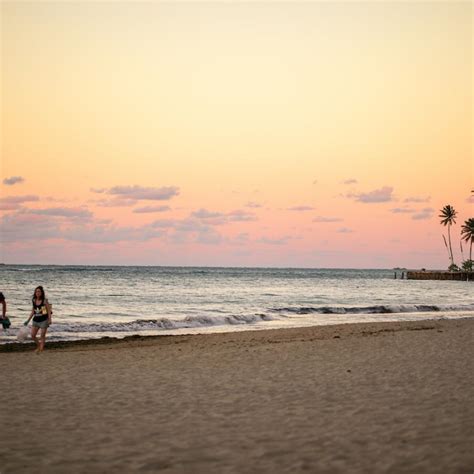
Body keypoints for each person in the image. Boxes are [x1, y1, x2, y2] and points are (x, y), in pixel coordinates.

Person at [24, 286, 52, 353]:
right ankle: (39, 346)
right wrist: (28, 320)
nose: (37, 293)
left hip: (44, 320)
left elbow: (48, 310)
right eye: (36, 291)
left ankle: (41, 349)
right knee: (33, 335)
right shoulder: (34, 300)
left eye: (39, 291)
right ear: (35, 293)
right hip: (35, 320)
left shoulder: (44, 301)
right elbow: (33, 311)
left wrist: (50, 319)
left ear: (42, 293)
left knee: (42, 336)